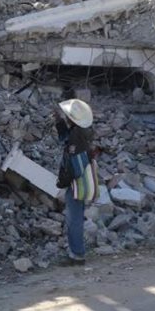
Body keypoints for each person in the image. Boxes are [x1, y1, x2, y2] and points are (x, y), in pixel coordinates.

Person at [55, 98, 98, 264]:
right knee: (76, 217)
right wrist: (59, 122)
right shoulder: (81, 131)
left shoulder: (76, 135)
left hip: (75, 184)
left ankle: (77, 255)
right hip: (79, 183)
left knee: (74, 219)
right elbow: (64, 138)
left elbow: (75, 164)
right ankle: (77, 252)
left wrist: (63, 181)